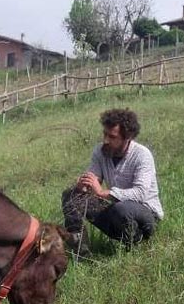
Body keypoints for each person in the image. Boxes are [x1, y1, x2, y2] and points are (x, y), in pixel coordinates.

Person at [61, 108, 163, 256]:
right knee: (71, 196)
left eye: (112, 136)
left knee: (121, 209)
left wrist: (103, 192)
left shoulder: (142, 155)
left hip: (146, 215)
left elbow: (141, 193)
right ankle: (80, 249)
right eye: (104, 134)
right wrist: (84, 186)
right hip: (118, 210)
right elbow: (94, 178)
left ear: (127, 137)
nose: (106, 140)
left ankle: (136, 246)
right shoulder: (100, 151)